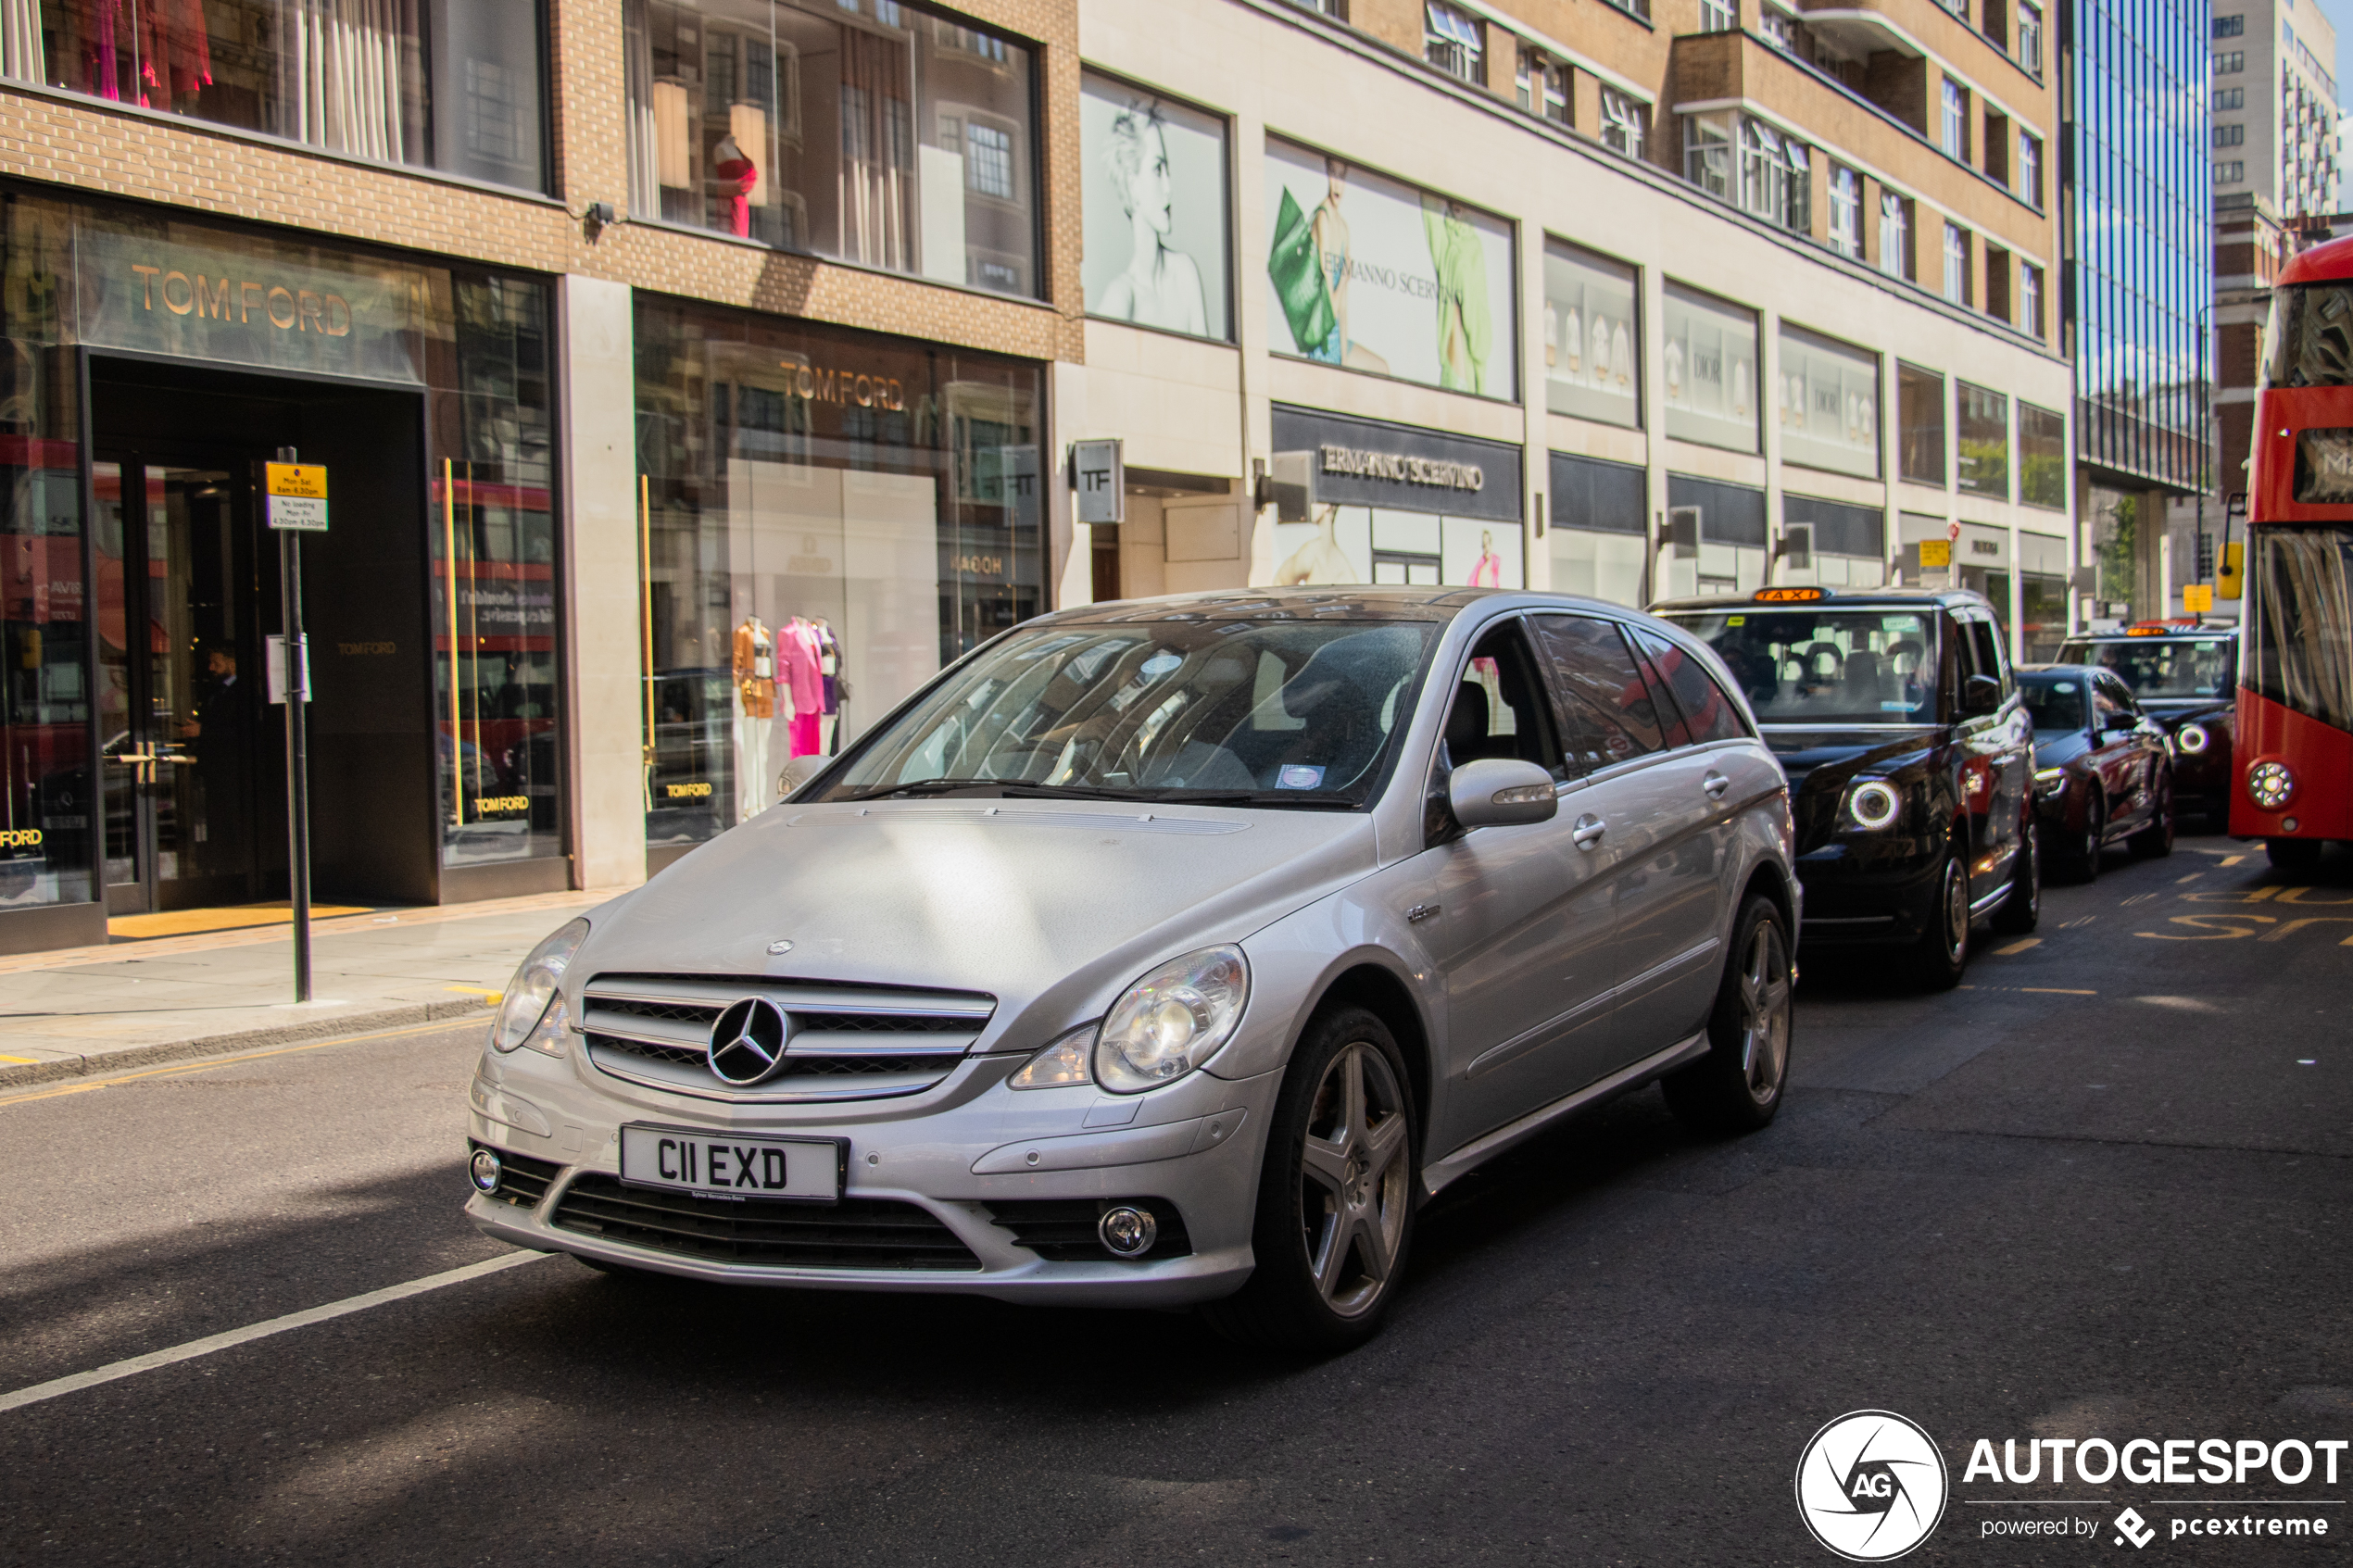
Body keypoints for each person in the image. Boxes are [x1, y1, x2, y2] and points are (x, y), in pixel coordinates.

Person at [1096, 102, 1208, 335]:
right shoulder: (1121, 298)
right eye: (1157, 171)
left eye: (1167, 171)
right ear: (1132, 184)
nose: (1169, 188)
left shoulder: (1185, 272)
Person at [176, 639, 251, 876]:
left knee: (232, 823)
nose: (211, 668)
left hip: (234, 772)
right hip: (216, 771)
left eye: (216, 663)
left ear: (232, 663)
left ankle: (235, 869)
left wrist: (204, 731)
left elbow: (245, 733)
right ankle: (221, 868)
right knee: (217, 822)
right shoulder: (216, 691)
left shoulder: (244, 693)